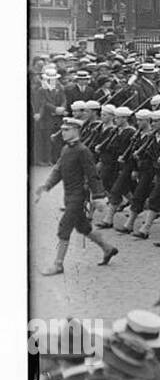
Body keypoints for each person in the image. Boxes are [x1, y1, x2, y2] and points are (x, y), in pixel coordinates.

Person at [36, 117, 118, 274]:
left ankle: (58, 264)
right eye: (63, 130)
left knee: (64, 227)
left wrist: (99, 196)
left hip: (78, 196)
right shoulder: (66, 149)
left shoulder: (83, 151)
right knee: (83, 227)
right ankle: (108, 248)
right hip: (68, 195)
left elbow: (93, 175)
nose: (63, 133)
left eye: (66, 130)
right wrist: (46, 185)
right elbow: (58, 170)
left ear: (75, 131)